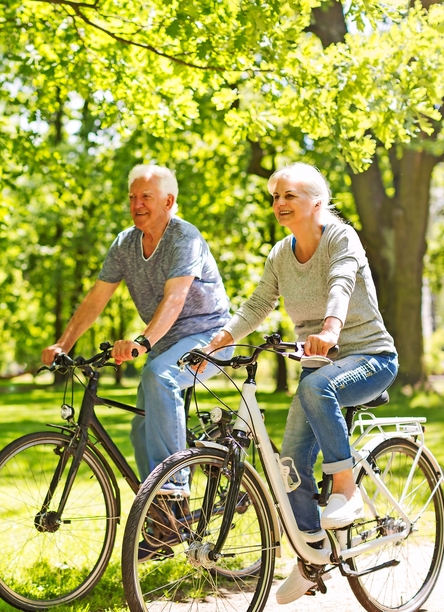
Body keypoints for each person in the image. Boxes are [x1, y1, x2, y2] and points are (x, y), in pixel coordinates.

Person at [198, 162, 398, 604]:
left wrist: (329, 329)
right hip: (319, 366)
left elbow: (341, 284)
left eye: (289, 195)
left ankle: (346, 489)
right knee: (289, 465)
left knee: (314, 387)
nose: (280, 203)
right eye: (275, 197)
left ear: (317, 203)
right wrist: (221, 340)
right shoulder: (280, 255)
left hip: (370, 357)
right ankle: (312, 558)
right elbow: (257, 305)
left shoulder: (341, 238)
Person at [41, 163, 233, 497]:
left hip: (209, 338)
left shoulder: (184, 237)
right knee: (141, 427)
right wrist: (63, 344)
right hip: (164, 343)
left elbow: (175, 298)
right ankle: (160, 519)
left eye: (146, 196)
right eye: (132, 197)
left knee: (159, 375)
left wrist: (143, 342)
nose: (137, 204)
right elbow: (96, 298)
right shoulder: (125, 244)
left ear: (168, 201)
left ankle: (173, 489)